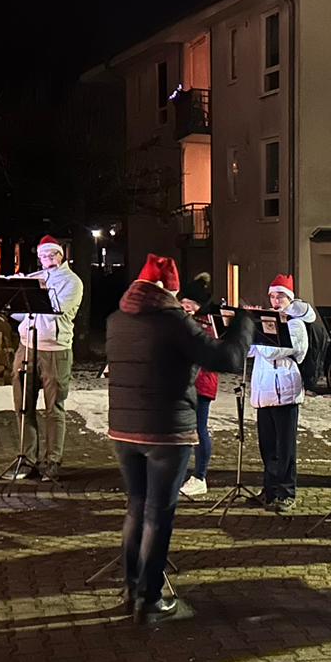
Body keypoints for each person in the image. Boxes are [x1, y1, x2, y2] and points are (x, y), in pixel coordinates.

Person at [107, 254, 253, 623]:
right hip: (166, 431)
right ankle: (149, 598)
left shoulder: (117, 319)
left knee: (136, 507)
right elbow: (226, 358)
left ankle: (131, 588)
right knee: (158, 514)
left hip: (123, 429)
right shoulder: (173, 320)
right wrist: (243, 322)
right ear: (169, 291)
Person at [9, 234, 84, 481]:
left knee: (54, 408)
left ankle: (52, 461)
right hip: (26, 347)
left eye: (51, 254)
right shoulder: (35, 278)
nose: (46, 259)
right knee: (23, 406)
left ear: (60, 255)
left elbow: (54, 311)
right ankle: (27, 459)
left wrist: (35, 291)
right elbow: (20, 315)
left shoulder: (72, 282)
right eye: (42, 256)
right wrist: (16, 294)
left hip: (55, 350)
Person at [249, 274, 316, 513]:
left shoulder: (295, 323)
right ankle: (270, 490)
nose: (275, 301)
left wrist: (255, 332)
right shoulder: (267, 322)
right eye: (272, 297)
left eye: (280, 297)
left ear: (289, 299)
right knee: (267, 447)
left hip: (285, 391)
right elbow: (248, 350)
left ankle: (287, 492)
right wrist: (247, 327)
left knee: (284, 448)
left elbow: (278, 350)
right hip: (264, 391)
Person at [179, 296, 217, 498]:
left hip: (201, 383)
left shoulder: (207, 325)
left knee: (199, 429)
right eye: (183, 303)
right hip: (182, 383)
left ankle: (200, 476)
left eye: (190, 303)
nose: (186, 307)